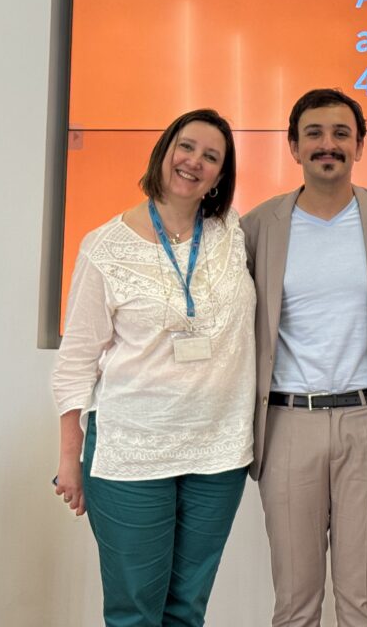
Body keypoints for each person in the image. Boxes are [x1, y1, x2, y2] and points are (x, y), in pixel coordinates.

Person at [52, 109, 256, 627]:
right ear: (164, 151)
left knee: (187, 610)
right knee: (135, 613)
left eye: (211, 157)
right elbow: (75, 362)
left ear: (221, 175)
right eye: (187, 147)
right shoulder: (105, 247)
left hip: (218, 453)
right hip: (131, 455)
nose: (195, 162)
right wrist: (71, 460)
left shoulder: (232, 232)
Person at [241, 88, 367, 627]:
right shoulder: (258, 225)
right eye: (314, 133)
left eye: (342, 133)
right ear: (293, 146)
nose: (328, 144)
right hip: (287, 423)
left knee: (361, 599)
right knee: (295, 602)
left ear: (360, 146)